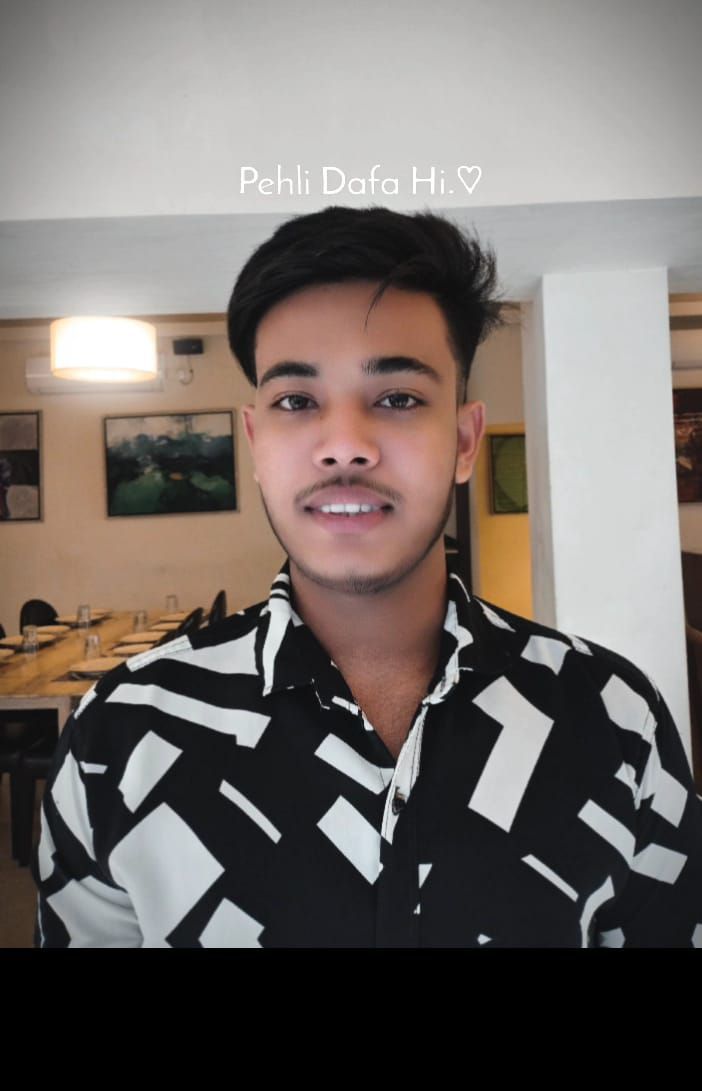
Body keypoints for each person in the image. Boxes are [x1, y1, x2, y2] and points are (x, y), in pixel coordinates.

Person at [34, 205, 702, 947]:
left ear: (464, 440)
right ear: (255, 443)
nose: (344, 445)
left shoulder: (611, 719)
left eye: (398, 398)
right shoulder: (122, 734)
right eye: (296, 401)